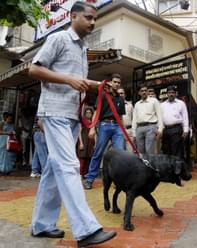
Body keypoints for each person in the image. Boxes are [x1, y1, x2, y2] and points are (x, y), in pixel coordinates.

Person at [28, 2, 116, 247]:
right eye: (88, 18)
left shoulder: (82, 48)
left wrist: (97, 85)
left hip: (72, 115)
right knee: (68, 166)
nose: (92, 23)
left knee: (53, 173)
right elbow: (34, 69)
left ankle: (42, 225)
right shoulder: (58, 39)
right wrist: (68, 80)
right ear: (72, 15)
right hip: (54, 111)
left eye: (95, 19)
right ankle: (86, 230)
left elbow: (77, 80)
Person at [84, 74, 125, 190]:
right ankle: (89, 179)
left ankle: (118, 181)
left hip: (117, 127)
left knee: (120, 155)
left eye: (118, 82)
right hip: (104, 125)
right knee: (98, 152)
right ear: (110, 83)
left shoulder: (120, 99)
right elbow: (96, 113)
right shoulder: (102, 95)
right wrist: (92, 128)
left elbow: (120, 117)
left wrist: (124, 132)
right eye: (115, 82)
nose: (116, 84)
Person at [132, 85, 163, 154]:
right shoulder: (137, 104)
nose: (144, 92)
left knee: (150, 151)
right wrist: (134, 133)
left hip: (151, 127)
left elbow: (159, 115)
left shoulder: (154, 101)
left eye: (145, 90)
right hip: (139, 128)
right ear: (139, 93)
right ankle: (142, 165)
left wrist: (160, 129)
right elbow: (134, 119)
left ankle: (150, 165)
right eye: (142, 91)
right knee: (140, 152)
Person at [160, 85, 189, 159]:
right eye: (169, 93)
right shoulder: (162, 105)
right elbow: (160, 119)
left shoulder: (181, 103)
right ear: (167, 94)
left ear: (176, 94)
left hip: (177, 129)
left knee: (176, 151)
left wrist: (185, 130)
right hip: (166, 130)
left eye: (173, 92)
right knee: (166, 150)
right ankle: (169, 169)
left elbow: (185, 117)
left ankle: (177, 170)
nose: (171, 94)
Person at [77, 107, 95, 178]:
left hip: (90, 142)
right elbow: (79, 132)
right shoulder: (83, 121)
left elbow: (95, 134)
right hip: (83, 140)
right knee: (82, 158)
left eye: (90, 113)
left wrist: (95, 144)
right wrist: (81, 143)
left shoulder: (93, 122)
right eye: (87, 113)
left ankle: (86, 173)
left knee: (89, 158)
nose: (88, 114)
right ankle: (80, 174)